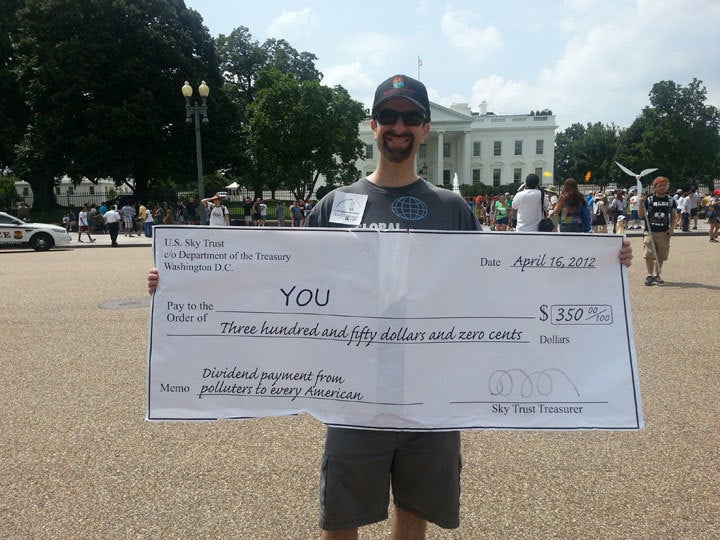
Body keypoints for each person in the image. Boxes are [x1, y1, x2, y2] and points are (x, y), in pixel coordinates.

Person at [147, 74, 633, 540]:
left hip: (432, 388)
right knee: (339, 513)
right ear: (374, 124)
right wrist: (186, 285)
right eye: (388, 115)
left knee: (415, 509)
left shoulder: (451, 209)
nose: (399, 126)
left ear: (424, 127)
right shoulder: (333, 204)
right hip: (353, 389)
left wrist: (594, 270)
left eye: (410, 117)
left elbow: (495, 285)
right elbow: (282, 283)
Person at [639, 176, 678, 286]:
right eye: (659, 185)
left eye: (663, 185)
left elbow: (674, 216)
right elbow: (641, 215)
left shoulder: (670, 200)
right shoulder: (649, 200)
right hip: (650, 231)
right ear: (655, 187)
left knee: (660, 255)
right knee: (649, 254)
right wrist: (640, 204)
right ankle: (650, 275)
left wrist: (671, 228)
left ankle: (657, 275)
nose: (661, 187)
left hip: (663, 232)